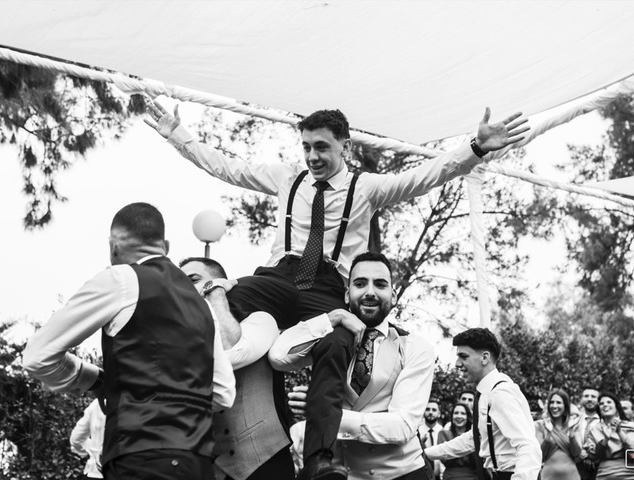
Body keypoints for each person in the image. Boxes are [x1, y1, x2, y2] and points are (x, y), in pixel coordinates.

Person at [146, 101, 529, 479]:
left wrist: (475, 148)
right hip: (278, 278)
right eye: (307, 147)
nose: (312, 157)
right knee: (219, 301)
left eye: (322, 147)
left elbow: (426, 176)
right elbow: (227, 167)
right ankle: (177, 394)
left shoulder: (367, 188)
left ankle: (319, 458)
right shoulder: (286, 179)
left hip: (328, 287)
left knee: (337, 342)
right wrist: (177, 136)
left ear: (345, 146)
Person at [23, 202, 236, 480]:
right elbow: (222, 393)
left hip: (139, 457)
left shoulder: (121, 279)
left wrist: (96, 381)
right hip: (195, 462)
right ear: (166, 246)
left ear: (113, 245)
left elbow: (38, 356)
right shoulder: (202, 306)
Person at [269, 252, 436, 479]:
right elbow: (278, 357)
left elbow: (403, 426)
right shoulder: (329, 339)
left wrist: (323, 410)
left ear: (393, 295)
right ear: (347, 294)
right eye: (360, 284)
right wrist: (331, 318)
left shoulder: (416, 347)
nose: (369, 292)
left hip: (405, 474)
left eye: (380, 284)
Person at [179, 256, 294, 480]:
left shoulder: (260, 320)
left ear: (222, 283)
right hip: (209, 469)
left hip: (266, 464)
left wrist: (215, 294)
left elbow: (231, 350)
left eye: (194, 279)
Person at [425, 328, 541, 480]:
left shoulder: (500, 393)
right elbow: (474, 438)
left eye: (463, 356)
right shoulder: (486, 393)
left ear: (484, 358)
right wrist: (426, 453)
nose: (457, 364)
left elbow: (528, 446)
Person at [582, 391, 634, 479]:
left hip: (629, 473)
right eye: (601, 403)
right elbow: (593, 458)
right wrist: (605, 439)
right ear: (599, 409)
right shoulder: (594, 430)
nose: (605, 405)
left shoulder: (630, 426)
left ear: (617, 407)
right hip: (604, 474)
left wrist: (619, 432)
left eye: (609, 402)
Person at [533, 389, 581, 480]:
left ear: (565, 406)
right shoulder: (540, 425)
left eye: (558, 402)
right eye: (552, 402)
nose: (554, 406)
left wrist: (571, 433)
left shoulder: (574, 425)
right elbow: (539, 457)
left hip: (571, 476)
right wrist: (548, 434)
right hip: (548, 476)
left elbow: (577, 454)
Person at [436, 402, 478, 480]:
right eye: (456, 413)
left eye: (463, 413)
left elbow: (477, 461)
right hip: (451, 477)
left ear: (468, 416)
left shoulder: (474, 435)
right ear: (452, 416)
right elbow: (446, 460)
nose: (459, 416)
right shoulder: (443, 434)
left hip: (474, 476)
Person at [70, 399, 105, 480]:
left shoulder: (97, 403)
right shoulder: (133, 403)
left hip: (94, 472)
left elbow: (76, 439)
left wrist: (93, 451)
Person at [576, 386, 600, 480]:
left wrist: (591, 456)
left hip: (599, 469)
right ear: (581, 399)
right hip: (577, 468)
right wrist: (581, 453)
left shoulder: (605, 421)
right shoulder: (574, 420)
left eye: (593, 396)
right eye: (586, 396)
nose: (589, 399)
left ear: (598, 400)